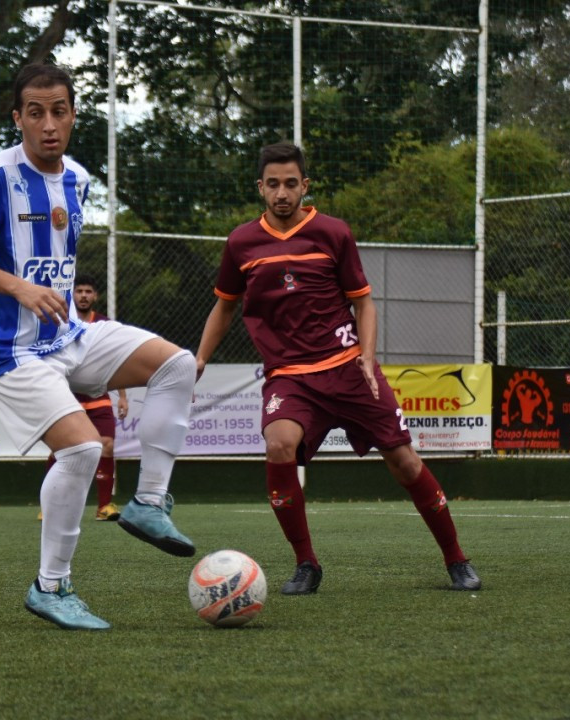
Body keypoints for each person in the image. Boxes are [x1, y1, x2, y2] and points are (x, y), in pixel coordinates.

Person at [0, 63, 197, 631]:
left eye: (59, 111)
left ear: (73, 115)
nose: (48, 123)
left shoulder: (78, 179)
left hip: (71, 338)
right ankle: (50, 586)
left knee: (178, 366)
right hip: (10, 352)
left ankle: (149, 502)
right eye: (35, 112)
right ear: (18, 118)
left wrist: (55, 303)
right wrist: (19, 287)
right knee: (82, 451)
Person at [195, 142, 481, 596]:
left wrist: (367, 355)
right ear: (260, 189)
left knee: (404, 463)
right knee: (278, 445)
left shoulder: (333, 233)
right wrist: (200, 358)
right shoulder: (241, 243)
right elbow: (224, 308)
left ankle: (457, 560)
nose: (283, 193)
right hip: (290, 378)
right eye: (273, 184)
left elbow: (362, 302)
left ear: (305, 186)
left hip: (349, 369)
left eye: (291, 183)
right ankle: (306, 564)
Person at [40, 275, 127, 522]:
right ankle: (49, 507)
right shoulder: (60, 320)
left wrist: (122, 396)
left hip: (98, 394)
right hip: (67, 395)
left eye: (88, 291)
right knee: (60, 449)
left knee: (107, 445)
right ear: (72, 295)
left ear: (95, 296)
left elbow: (115, 359)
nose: (84, 295)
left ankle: (104, 506)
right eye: (79, 291)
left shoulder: (103, 324)